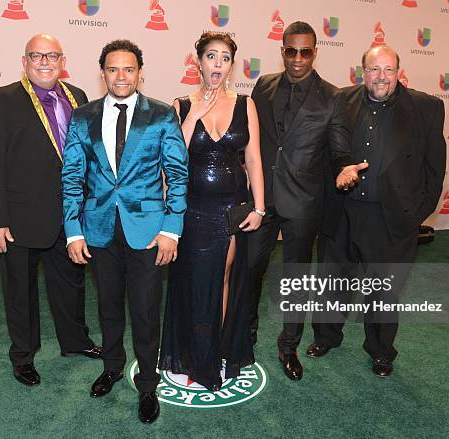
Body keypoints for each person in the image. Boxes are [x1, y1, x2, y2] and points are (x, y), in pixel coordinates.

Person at [62, 40, 188, 424]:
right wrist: (72, 230)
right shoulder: (82, 116)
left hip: (148, 232)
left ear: (140, 72)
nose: (121, 76)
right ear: (103, 73)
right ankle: (113, 366)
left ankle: (148, 383)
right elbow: (71, 178)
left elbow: (179, 176)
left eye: (128, 69)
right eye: (113, 69)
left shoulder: (163, 116)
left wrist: (172, 229)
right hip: (98, 229)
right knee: (109, 306)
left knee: (147, 311)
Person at [310, 45, 446, 377]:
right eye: (373, 69)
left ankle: (381, 351)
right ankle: (326, 337)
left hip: (390, 219)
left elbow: (435, 166)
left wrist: (415, 214)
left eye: (387, 69)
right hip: (343, 211)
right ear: (362, 71)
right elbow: (328, 151)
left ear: (399, 71)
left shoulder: (426, 107)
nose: (380, 77)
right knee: (332, 283)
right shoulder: (342, 99)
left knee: (384, 290)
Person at [0, 34, 101, 387]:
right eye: (36, 56)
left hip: (68, 216)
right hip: (19, 218)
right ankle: (23, 355)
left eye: (52, 56)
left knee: (71, 283)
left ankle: (75, 341)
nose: (44, 62)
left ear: (62, 60)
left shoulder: (78, 97)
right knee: (20, 291)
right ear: (24, 61)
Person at [248, 21, 364, 381]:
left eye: (306, 51)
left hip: (303, 202)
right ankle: (243, 337)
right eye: (291, 50)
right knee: (249, 271)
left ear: (315, 52)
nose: (298, 59)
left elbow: (340, 148)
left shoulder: (333, 97)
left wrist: (345, 167)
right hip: (261, 199)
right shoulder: (262, 85)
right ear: (282, 50)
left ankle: (288, 346)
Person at [158, 32, 265, 391]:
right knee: (193, 282)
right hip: (192, 210)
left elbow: (253, 159)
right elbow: (171, 159)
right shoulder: (180, 105)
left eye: (224, 58)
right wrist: (195, 116)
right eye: (211, 57)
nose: (218, 64)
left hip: (233, 210)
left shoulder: (245, 104)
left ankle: (215, 352)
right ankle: (191, 352)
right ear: (198, 61)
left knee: (223, 279)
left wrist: (260, 208)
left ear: (231, 64)